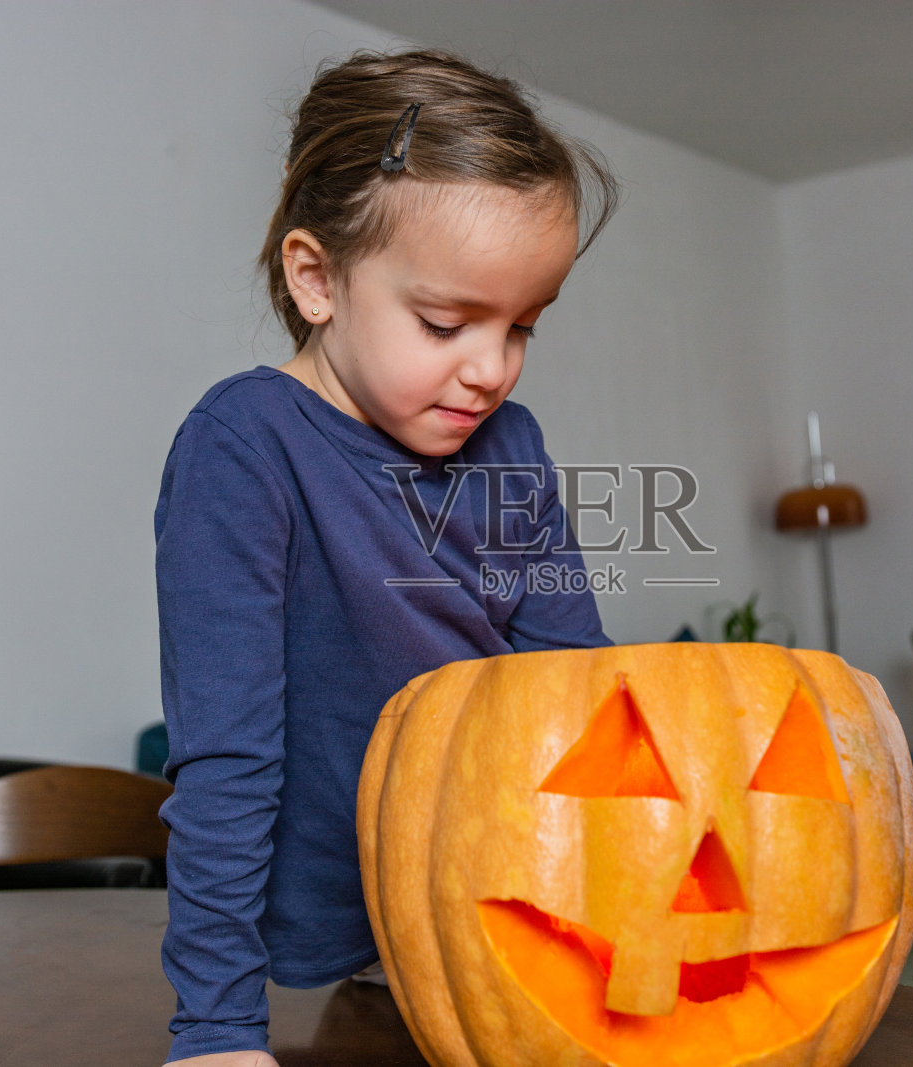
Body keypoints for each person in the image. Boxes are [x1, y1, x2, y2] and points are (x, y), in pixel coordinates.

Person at [154, 48, 622, 1065]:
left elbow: (569, 690)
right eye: (446, 323)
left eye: (523, 328)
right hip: (345, 927)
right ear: (316, 277)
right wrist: (215, 1030)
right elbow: (224, 756)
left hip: (506, 911)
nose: (491, 369)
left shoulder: (511, 445)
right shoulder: (243, 445)